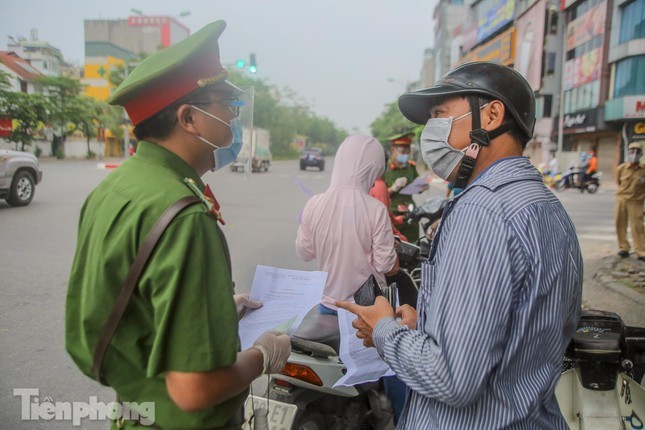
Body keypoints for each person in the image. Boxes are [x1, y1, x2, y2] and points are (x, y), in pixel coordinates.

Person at [65, 21, 290, 429]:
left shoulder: (118, 186)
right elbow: (194, 391)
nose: (235, 115)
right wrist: (262, 354)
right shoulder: (185, 217)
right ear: (190, 118)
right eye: (227, 103)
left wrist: (218, 311)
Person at [337, 61, 583, 429]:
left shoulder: (482, 211)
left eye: (440, 114)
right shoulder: (547, 208)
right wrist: (429, 326)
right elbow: (517, 331)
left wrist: (385, 331)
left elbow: (452, 378)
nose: (430, 131)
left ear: (493, 114)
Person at [296, 135, 399, 312]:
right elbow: (386, 266)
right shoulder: (376, 209)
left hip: (326, 304)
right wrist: (394, 251)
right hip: (365, 310)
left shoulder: (314, 203)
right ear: (373, 170)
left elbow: (304, 253)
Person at [384, 132, 420, 240]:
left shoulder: (411, 167)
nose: (405, 154)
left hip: (410, 213)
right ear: (393, 150)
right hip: (392, 214)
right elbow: (376, 193)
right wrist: (392, 188)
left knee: (413, 245)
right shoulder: (384, 168)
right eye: (402, 152)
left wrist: (421, 187)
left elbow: (416, 184)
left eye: (408, 152)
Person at [615, 141, 645, 260]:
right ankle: (624, 248)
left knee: (637, 226)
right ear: (628, 153)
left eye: (637, 152)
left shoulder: (643, 170)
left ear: (641, 154)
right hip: (621, 199)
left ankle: (641, 250)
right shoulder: (621, 169)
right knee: (620, 224)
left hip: (636, 201)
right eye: (632, 151)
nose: (634, 154)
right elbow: (619, 183)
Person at [370, 149, 408, 242]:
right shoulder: (379, 185)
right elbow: (383, 219)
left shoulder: (369, 182)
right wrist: (401, 238)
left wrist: (396, 219)